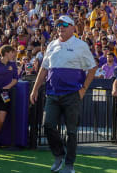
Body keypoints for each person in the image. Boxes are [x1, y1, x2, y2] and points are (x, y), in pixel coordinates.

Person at [30, 15, 97, 173]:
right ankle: (59, 154)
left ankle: (69, 164)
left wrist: (83, 89)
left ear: (73, 28)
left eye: (65, 24)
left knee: (71, 131)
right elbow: (44, 68)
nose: (61, 27)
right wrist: (35, 89)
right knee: (48, 125)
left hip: (72, 94)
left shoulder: (80, 45)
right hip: (52, 94)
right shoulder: (52, 44)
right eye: (58, 24)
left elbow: (92, 67)